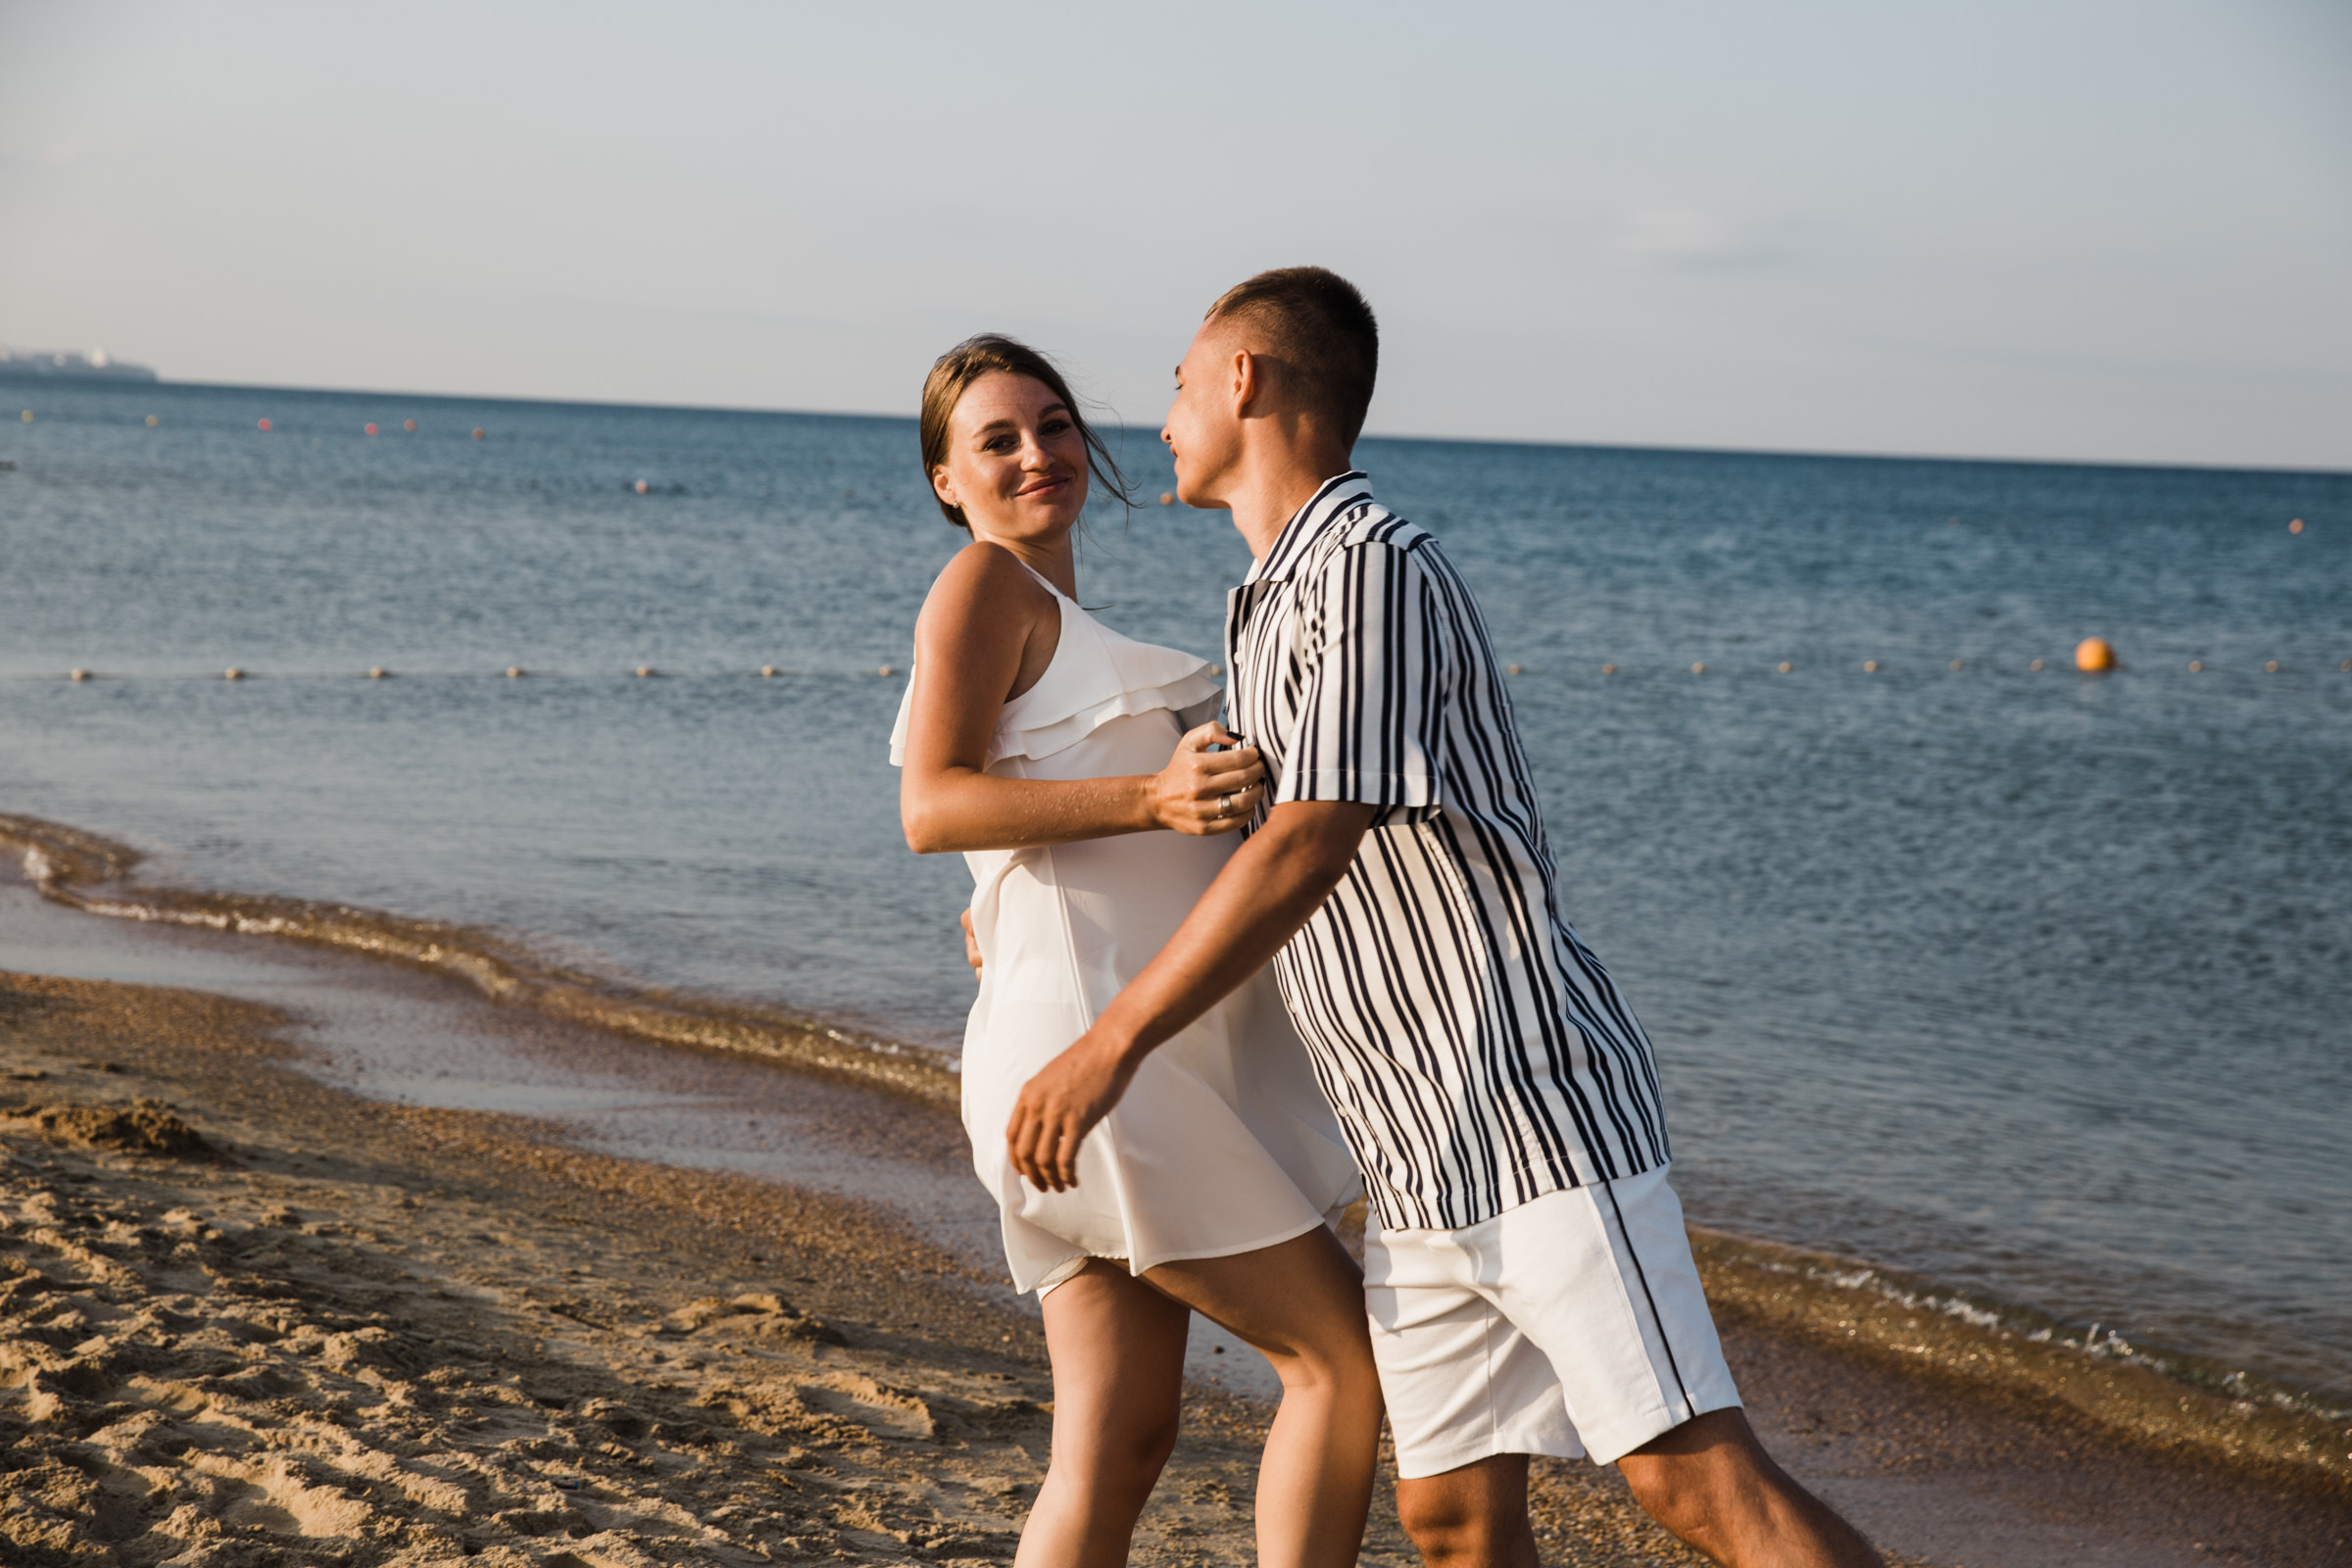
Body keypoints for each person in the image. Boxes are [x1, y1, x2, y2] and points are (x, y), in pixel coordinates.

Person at [1005, 271, 1885, 1568]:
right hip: (1414, 1152)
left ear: (1245, 379)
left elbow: (1308, 845)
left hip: (1530, 1111)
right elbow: (1255, 853)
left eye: (1183, 383)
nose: (1167, 417)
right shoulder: (1270, 604)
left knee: (1694, 1482)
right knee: (1454, 1521)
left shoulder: (1371, 564)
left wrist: (1111, 1044)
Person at [891, 334, 1383, 1568]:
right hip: (1094, 1066)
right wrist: (1153, 801)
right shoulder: (982, 586)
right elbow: (932, 805)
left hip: (1072, 1057)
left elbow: (1015, 811)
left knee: (1115, 1444)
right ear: (948, 480)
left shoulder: (1057, 613)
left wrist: (1005, 898)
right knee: (1338, 1364)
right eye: (995, 441)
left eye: (1053, 425)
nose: (1036, 454)